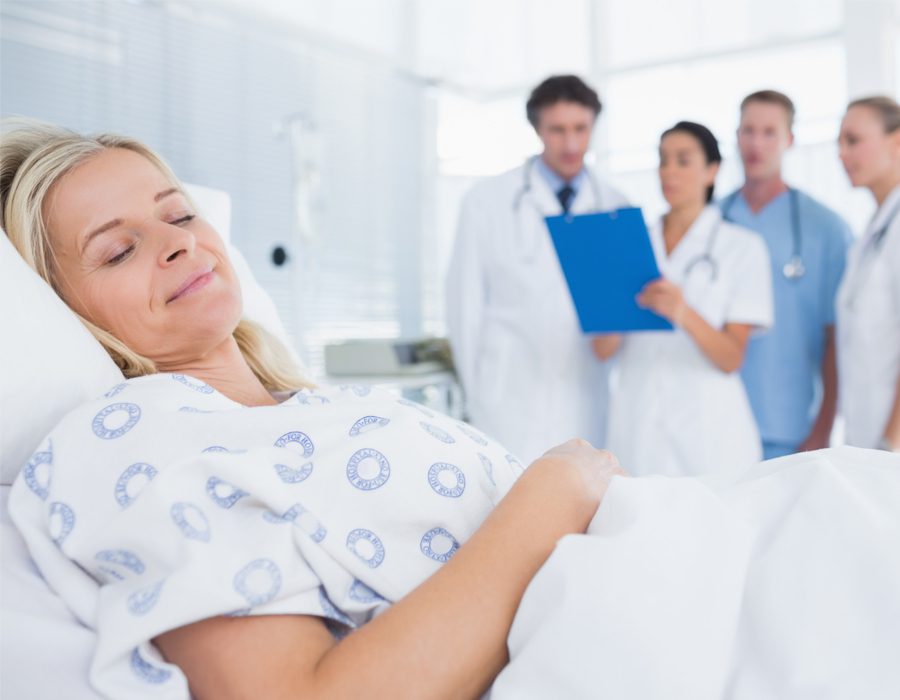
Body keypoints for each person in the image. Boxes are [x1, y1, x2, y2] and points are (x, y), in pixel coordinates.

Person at [0, 119, 624, 699]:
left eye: (181, 213)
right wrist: (556, 492)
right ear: (65, 314)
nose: (179, 242)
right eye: (117, 251)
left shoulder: (307, 408)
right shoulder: (133, 438)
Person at [445, 75, 628, 465]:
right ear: (537, 129)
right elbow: (464, 308)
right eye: (557, 130)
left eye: (581, 129)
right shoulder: (486, 201)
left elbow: (618, 320)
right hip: (507, 397)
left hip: (585, 396)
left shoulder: (615, 207)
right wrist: (480, 397)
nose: (571, 143)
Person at [592, 122, 773, 476]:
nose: (668, 171)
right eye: (662, 161)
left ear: (712, 170)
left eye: (682, 160)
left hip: (710, 434)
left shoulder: (742, 247)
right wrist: (619, 306)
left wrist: (681, 312)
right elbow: (601, 350)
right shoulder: (629, 242)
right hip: (637, 424)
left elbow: (730, 358)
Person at [719, 90, 852, 459]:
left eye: (769, 132)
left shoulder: (827, 229)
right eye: (748, 131)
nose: (756, 144)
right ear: (736, 135)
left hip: (790, 426)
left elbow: (836, 337)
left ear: (789, 140)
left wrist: (823, 426)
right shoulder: (709, 222)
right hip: (714, 422)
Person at [837, 96, 900, 451]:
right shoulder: (872, 232)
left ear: (897, 142)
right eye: (840, 143)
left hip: (891, 447)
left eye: (854, 140)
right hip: (867, 438)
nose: (842, 154)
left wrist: (892, 443)